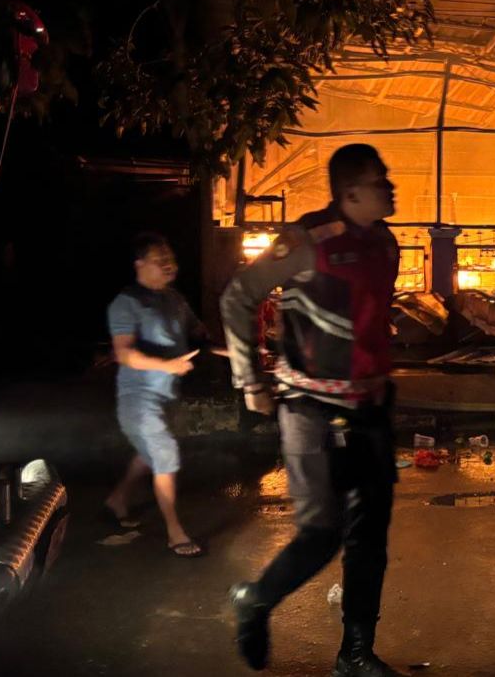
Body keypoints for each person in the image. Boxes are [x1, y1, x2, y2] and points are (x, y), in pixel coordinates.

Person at [220, 144, 404, 677]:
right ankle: (255, 600)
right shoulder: (305, 242)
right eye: (380, 180)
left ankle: (355, 655)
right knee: (322, 532)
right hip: (310, 408)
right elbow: (238, 296)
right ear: (350, 193)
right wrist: (248, 379)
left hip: (369, 409)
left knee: (369, 541)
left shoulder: (386, 242)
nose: (390, 186)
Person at [104, 232, 204, 557]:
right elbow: (124, 353)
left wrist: (230, 348)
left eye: (170, 259)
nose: (168, 265)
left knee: (149, 454)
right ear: (140, 265)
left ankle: (118, 499)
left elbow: (199, 333)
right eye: (160, 260)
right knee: (164, 454)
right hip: (138, 399)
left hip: (167, 396)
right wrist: (168, 365)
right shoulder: (126, 303)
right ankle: (176, 533)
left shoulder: (175, 300)